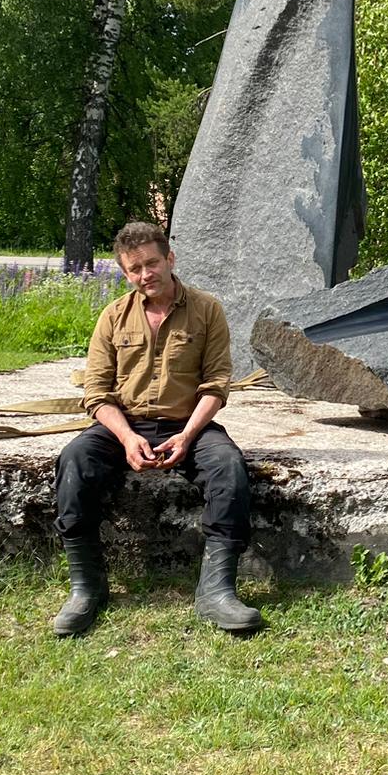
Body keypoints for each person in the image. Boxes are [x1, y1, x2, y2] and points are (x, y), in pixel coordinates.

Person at [50, 221, 261, 637]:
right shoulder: (113, 316)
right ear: (125, 273)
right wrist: (127, 438)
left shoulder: (207, 310)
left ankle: (216, 591)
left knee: (228, 467)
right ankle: (86, 587)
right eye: (134, 268)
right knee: (74, 460)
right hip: (125, 424)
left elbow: (216, 385)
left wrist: (187, 435)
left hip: (188, 424)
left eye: (152, 263)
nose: (145, 274)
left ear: (170, 259)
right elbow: (97, 393)